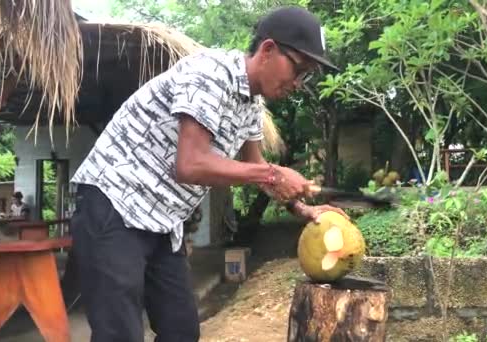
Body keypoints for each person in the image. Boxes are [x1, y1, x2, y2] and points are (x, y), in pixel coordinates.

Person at [70, 6, 346, 342]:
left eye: (307, 76)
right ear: (268, 49)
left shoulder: (251, 106)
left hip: (161, 223)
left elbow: (256, 171)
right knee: (120, 334)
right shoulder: (210, 73)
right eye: (298, 69)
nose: (299, 83)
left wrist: (305, 210)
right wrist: (274, 174)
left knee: (181, 330)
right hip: (112, 204)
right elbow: (190, 164)